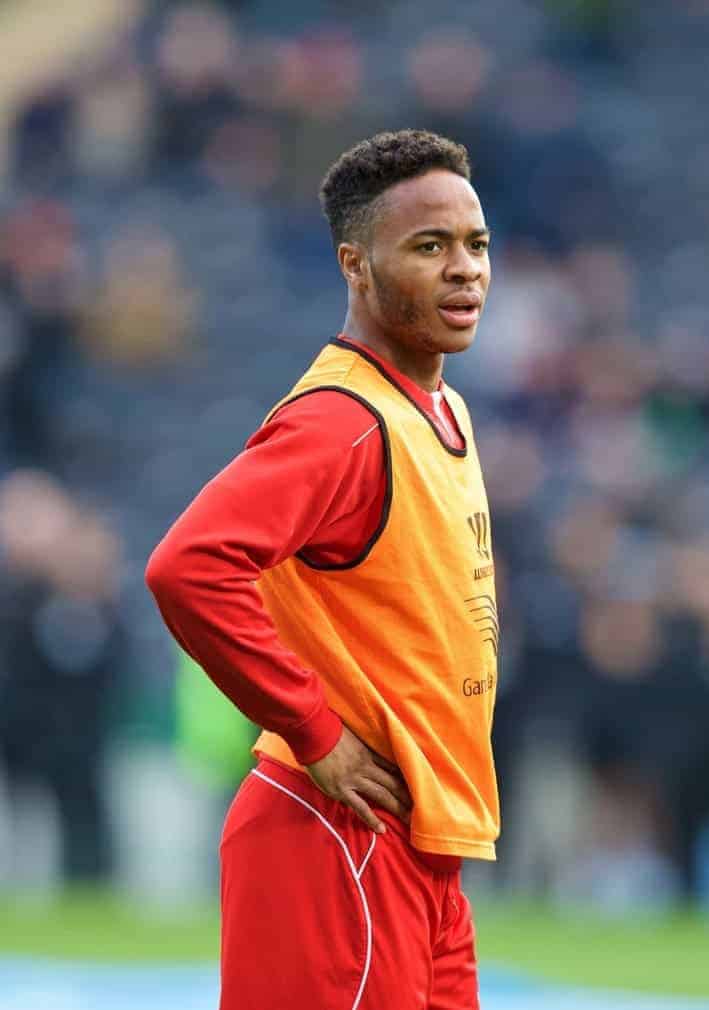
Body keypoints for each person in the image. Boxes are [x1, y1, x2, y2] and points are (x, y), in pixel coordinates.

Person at [146, 130, 498, 1010]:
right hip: (337, 840)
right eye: (429, 247)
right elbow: (188, 567)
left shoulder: (439, 406)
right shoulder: (343, 420)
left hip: (416, 850)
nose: (464, 269)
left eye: (475, 244)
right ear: (356, 264)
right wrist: (314, 729)